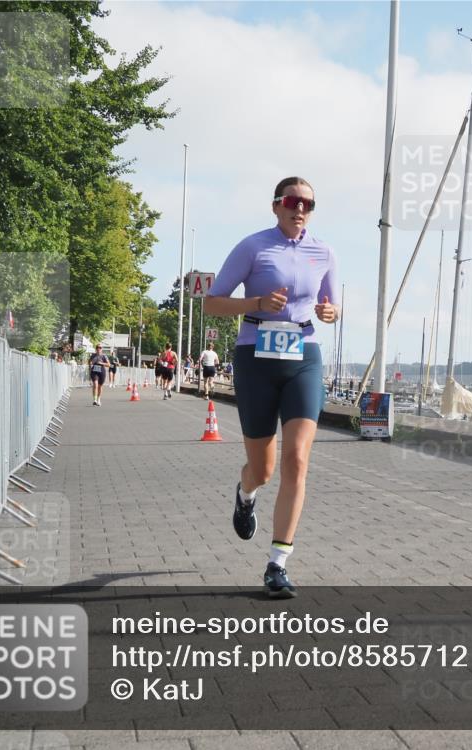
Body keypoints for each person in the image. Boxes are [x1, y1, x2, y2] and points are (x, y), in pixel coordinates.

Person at [204, 176, 339, 599]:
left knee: (297, 459)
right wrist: (257, 303)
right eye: (293, 201)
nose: (300, 209)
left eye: (309, 204)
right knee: (263, 469)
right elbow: (212, 302)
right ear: (276, 205)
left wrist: (330, 311)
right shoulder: (253, 247)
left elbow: (333, 306)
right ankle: (246, 495)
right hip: (256, 356)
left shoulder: (324, 252)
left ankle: (277, 564)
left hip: (303, 356)